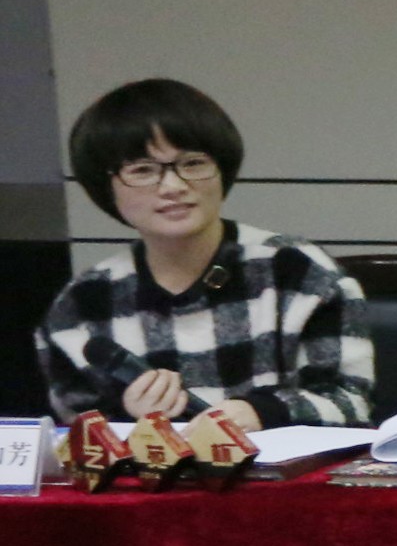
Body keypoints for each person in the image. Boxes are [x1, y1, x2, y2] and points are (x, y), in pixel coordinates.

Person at [36, 78, 373, 430]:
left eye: (193, 163)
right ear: (105, 187)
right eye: (143, 170)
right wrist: (127, 418)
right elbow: (74, 436)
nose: (173, 186)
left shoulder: (298, 270)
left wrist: (263, 413)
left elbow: (351, 402)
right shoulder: (83, 303)